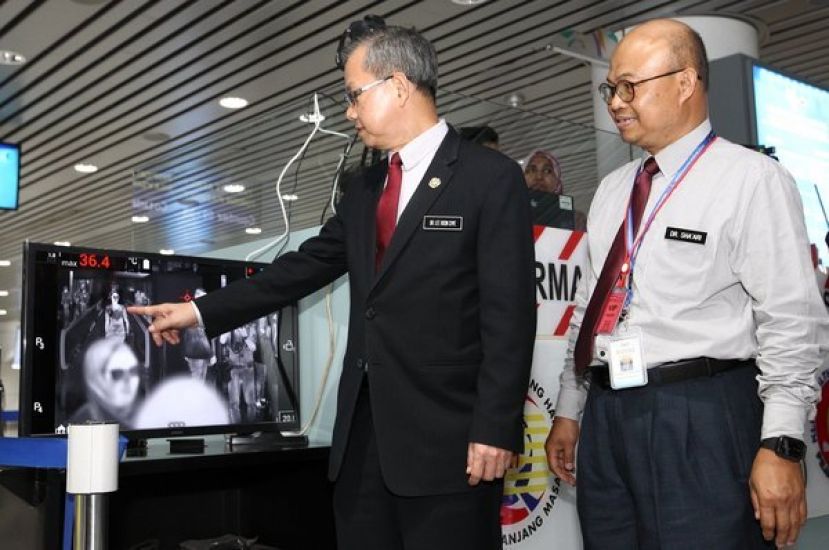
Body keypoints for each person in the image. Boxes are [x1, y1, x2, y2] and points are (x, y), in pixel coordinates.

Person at [128, 18, 535, 550]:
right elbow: (301, 268)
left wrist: (495, 428)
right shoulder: (365, 188)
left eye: (353, 95)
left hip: (450, 445)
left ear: (398, 85)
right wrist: (198, 312)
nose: (347, 112)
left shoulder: (488, 178)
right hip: (364, 446)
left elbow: (510, 317)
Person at [544, 18, 826, 550]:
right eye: (611, 88)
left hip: (701, 415)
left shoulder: (751, 179)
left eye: (630, 85)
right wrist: (569, 409)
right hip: (607, 417)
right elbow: (589, 309)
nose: (615, 101)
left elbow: (791, 319)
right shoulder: (611, 190)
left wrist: (782, 443)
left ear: (685, 82)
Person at [70, 337, 142, 428]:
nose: (128, 380)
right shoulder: (81, 423)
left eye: (133, 371)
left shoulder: (149, 414)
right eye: (117, 374)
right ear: (96, 378)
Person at [523, 148, 587, 230]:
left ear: (557, 181)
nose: (539, 177)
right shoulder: (508, 215)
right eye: (532, 170)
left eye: (547, 171)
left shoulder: (576, 220)